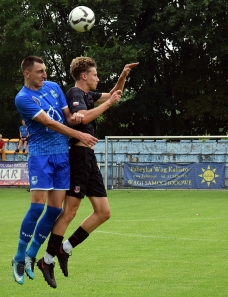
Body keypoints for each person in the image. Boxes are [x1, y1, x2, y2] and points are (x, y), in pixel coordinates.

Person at [39, 58, 139, 288]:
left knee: (103, 212)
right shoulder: (75, 93)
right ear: (84, 76)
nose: (97, 78)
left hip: (89, 157)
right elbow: (82, 118)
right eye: (95, 75)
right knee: (70, 212)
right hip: (78, 157)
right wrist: (108, 105)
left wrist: (123, 75)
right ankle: (46, 260)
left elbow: (115, 93)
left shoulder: (88, 95)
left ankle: (65, 249)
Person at [11, 55, 98, 286]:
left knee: (53, 211)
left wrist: (77, 117)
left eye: (45, 70)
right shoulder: (22, 98)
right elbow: (49, 123)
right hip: (41, 155)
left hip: (62, 155)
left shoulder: (54, 87)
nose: (45, 75)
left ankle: (32, 254)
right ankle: (19, 255)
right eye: (40, 71)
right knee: (37, 207)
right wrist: (79, 134)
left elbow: (67, 117)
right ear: (27, 73)